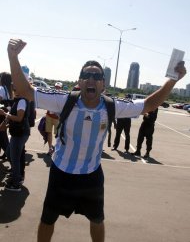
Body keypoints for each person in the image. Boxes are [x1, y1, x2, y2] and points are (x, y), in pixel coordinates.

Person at [6, 38, 186, 242]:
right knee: (47, 220)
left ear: (103, 83)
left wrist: (173, 80)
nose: (91, 79)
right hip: (61, 173)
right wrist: (13, 56)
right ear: (79, 81)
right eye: (86, 75)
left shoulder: (112, 106)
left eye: (97, 76)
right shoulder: (64, 100)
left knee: (97, 221)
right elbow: (25, 90)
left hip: (92, 175)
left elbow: (149, 104)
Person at [0, 86, 30, 191]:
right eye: (13, 88)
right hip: (18, 133)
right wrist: (6, 124)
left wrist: (5, 114)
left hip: (20, 134)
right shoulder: (18, 100)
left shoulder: (21, 101)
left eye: (15, 88)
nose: (13, 90)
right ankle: (16, 176)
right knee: (9, 153)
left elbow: (19, 118)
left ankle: (16, 183)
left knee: (15, 158)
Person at [45, 82, 62, 155]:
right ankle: (50, 148)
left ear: (61, 88)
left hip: (57, 118)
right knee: (49, 132)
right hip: (49, 116)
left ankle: (57, 148)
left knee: (57, 134)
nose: (57, 88)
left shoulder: (62, 96)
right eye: (56, 87)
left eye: (58, 87)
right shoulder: (51, 94)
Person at [0, 72, 13, 160]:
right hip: (6, 115)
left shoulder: (1, 88)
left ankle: (11, 157)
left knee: (2, 138)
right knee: (2, 135)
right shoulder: (9, 90)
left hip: (1, 114)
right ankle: (8, 154)